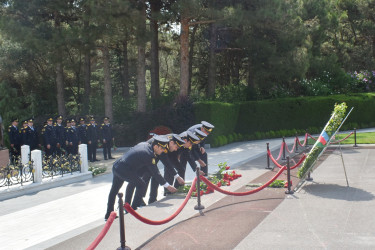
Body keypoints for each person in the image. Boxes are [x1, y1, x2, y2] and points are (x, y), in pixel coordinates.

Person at [104, 135, 178, 220]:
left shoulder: (146, 145)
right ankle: (134, 209)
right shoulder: (148, 154)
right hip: (124, 169)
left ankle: (109, 214)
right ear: (155, 146)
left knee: (114, 190)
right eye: (161, 149)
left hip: (117, 166)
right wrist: (167, 186)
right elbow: (155, 173)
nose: (162, 151)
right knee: (141, 184)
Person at [129, 134, 186, 205]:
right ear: (171, 143)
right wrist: (173, 181)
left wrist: (177, 177)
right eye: (176, 147)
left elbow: (168, 163)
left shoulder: (167, 143)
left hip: (153, 158)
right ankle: (139, 199)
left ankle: (152, 199)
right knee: (145, 178)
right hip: (144, 158)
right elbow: (166, 163)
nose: (176, 149)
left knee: (156, 177)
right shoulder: (163, 144)